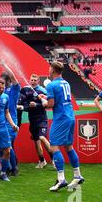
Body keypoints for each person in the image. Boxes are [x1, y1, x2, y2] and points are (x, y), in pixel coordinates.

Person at [40, 61, 84, 192]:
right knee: (69, 146)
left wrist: (43, 102)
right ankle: (77, 175)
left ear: (53, 69)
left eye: (49, 67)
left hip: (61, 118)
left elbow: (50, 104)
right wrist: (46, 97)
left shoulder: (51, 85)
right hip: (70, 116)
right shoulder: (66, 83)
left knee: (54, 146)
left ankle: (61, 179)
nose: (48, 69)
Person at [19, 74, 54, 169]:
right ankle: (42, 161)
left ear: (38, 81)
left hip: (42, 119)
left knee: (42, 137)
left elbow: (47, 104)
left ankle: (54, 159)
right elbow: (25, 105)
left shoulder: (42, 91)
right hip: (32, 120)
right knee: (37, 141)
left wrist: (36, 105)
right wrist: (25, 107)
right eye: (32, 80)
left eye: (35, 80)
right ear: (29, 80)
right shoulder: (26, 90)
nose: (33, 81)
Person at [0, 57, 21, 176]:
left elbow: (13, 77)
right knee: (4, 146)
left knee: (8, 145)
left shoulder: (14, 90)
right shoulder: (1, 92)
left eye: (2, 81)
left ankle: (13, 167)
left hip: (11, 123)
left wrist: (4, 65)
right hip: (0, 122)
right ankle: (9, 166)